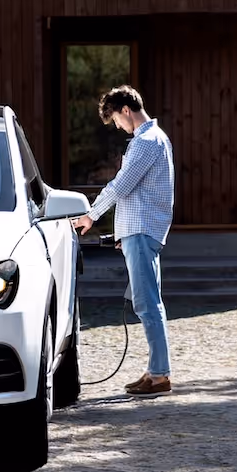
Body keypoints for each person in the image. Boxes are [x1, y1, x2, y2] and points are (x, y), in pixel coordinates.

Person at [72, 85, 175, 396]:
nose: (118, 126)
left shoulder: (145, 142)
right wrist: (123, 232)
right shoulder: (158, 139)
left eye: (116, 119)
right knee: (149, 303)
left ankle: (159, 375)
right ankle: (156, 370)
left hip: (142, 231)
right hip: (140, 230)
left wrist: (90, 215)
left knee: (147, 304)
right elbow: (141, 193)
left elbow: (121, 187)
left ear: (126, 111)